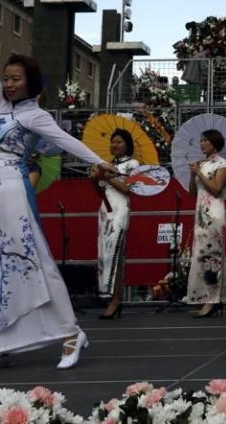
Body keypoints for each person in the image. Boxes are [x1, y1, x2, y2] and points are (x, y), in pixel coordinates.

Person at [0, 5, 116, 370]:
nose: (9, 83)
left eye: (15, 79)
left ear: (30, 82)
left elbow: (64, 139)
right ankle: (0, 340)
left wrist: (98, 162)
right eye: (6, 78)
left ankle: (72, 333)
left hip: (12, 193)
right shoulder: (0, 106)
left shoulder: (34, 115)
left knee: (32, 262)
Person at [185, 129, 226, 319]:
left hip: (214, 215)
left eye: (205, 140)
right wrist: (192, 174)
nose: (202, 143)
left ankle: (211, 301)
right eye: (201, 140)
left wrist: (199, 173)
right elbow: (192, 192)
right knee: (201, 255)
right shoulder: (202, 164)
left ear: (214, 143)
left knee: (212, 257)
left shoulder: (223, 164)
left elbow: (217, 189)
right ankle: (211, 298)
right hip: (201, 214)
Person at [97, 130, 140, 320]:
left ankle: (115, 299)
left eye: (119, 142)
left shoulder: (133, 164)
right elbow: (100, 190)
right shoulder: (109, 164)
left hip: (120, 210)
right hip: (105, 211)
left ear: (127, 144)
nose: (114, 145)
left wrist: (107, 177)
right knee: (104, 254)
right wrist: (96, 176)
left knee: (115, 254)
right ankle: (111, 297)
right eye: (112, 142)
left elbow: (128, 189)